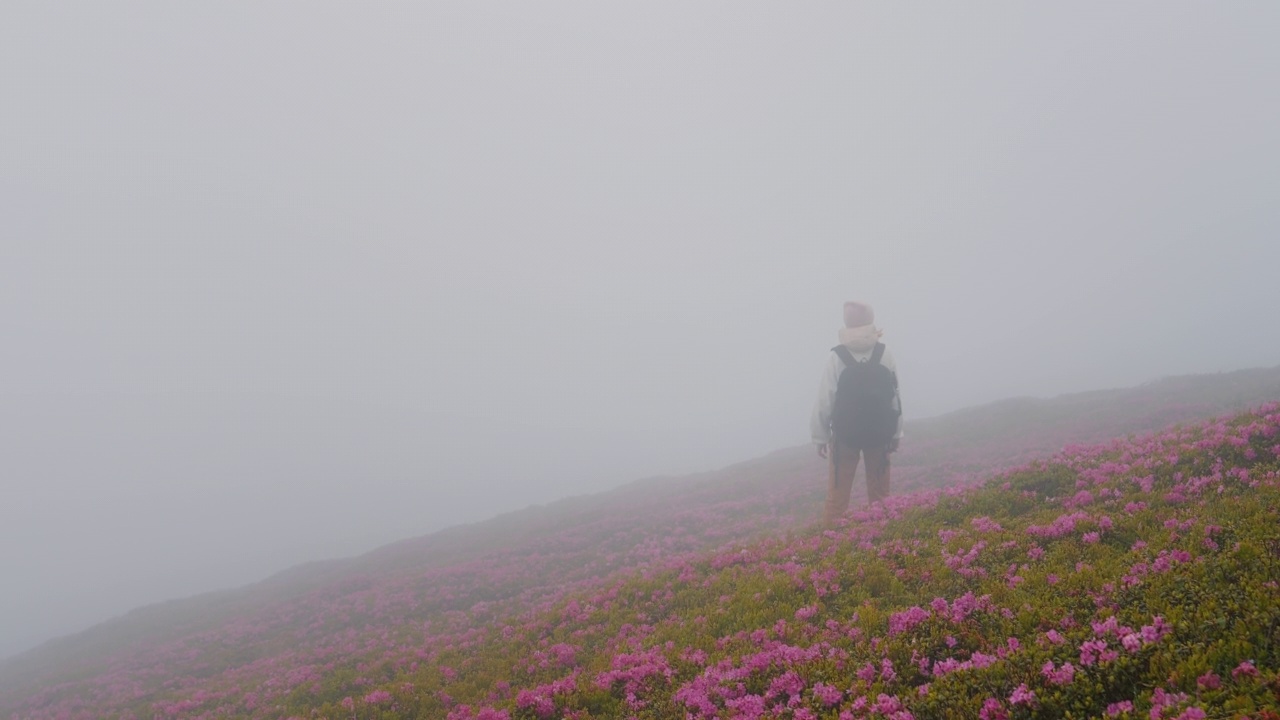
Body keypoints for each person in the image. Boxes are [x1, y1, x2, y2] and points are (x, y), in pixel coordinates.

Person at [810, 301, 903, 524]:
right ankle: (886, 540)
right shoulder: (885, 353)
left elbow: (825, 399)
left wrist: (820, 437)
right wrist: (896, 434)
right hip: (879, 436)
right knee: (881, 498)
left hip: (845, 438)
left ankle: (828, 545)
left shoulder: (837, 357)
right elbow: (895, 397)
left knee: (837, 499)